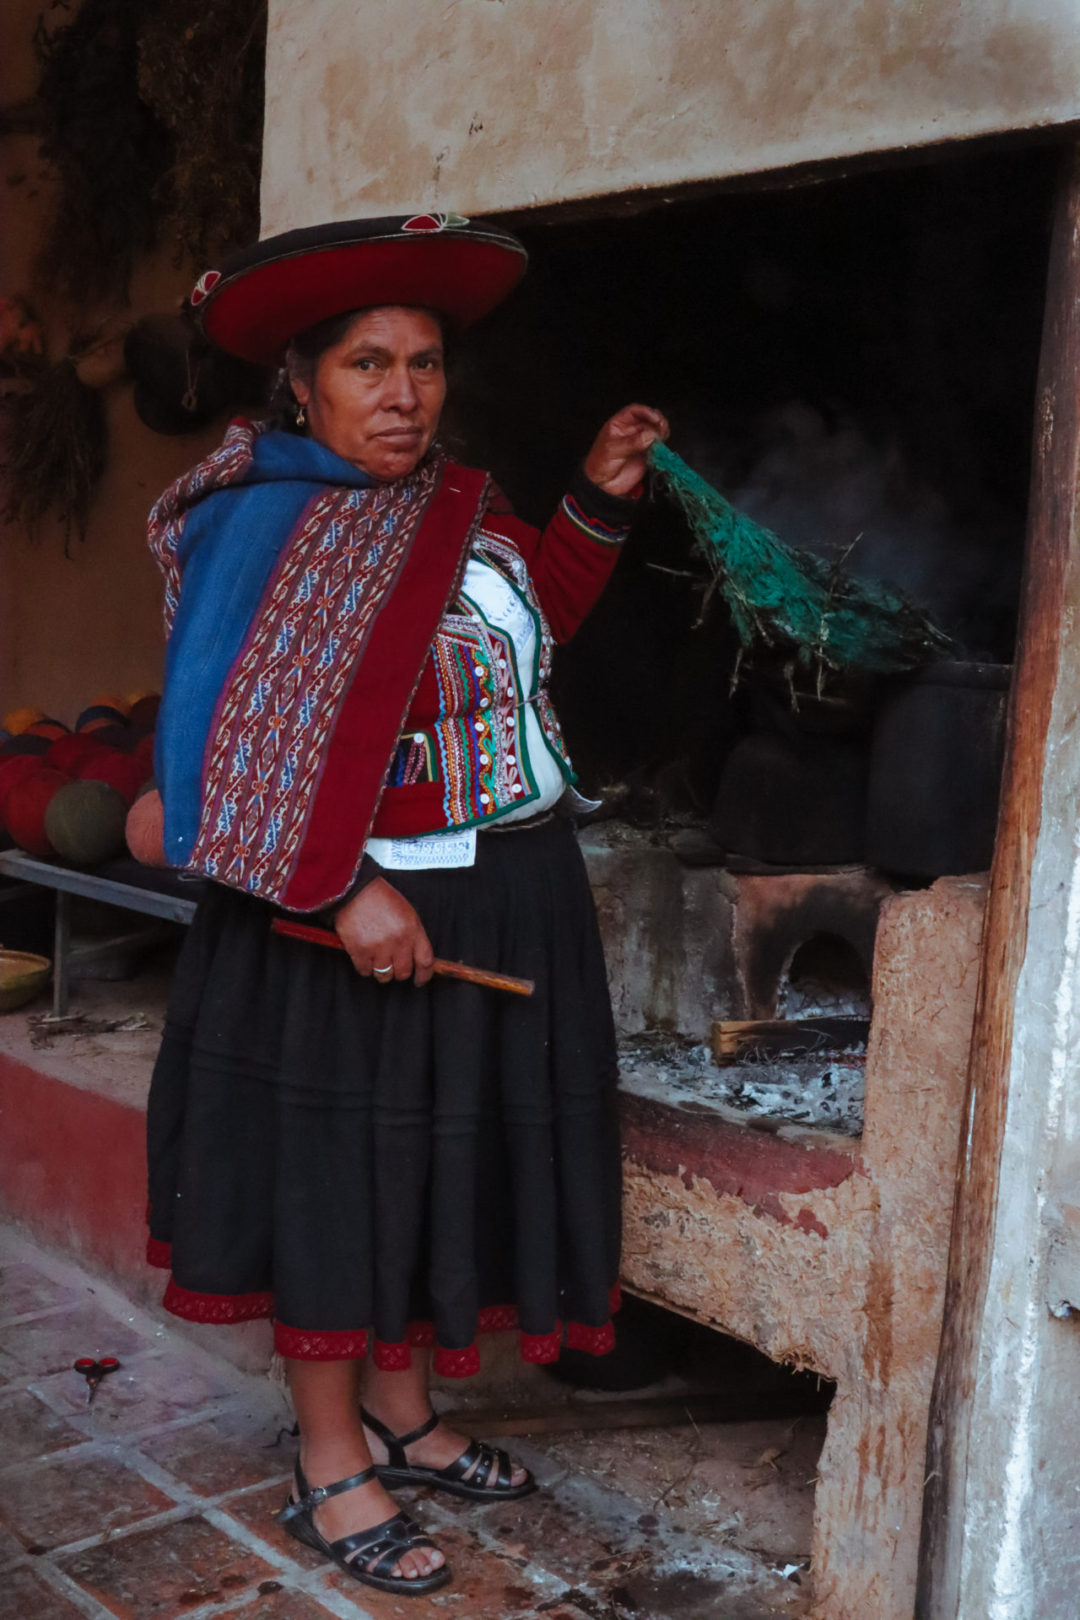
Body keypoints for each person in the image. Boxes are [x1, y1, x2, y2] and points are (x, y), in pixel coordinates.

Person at [144, 214, 669, 1597]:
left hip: (501, 893)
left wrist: (599, 496)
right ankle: (330, 1462)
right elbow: (212, 750)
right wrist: (341, 893)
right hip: (334, 922)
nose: (403, 392)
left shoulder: (458, 509)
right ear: (302, 384)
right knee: (336, 1182)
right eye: (368, 364)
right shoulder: (260, 521)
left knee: (427, 1168)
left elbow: (524, 634)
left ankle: (404, 1411)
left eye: (425, 363)